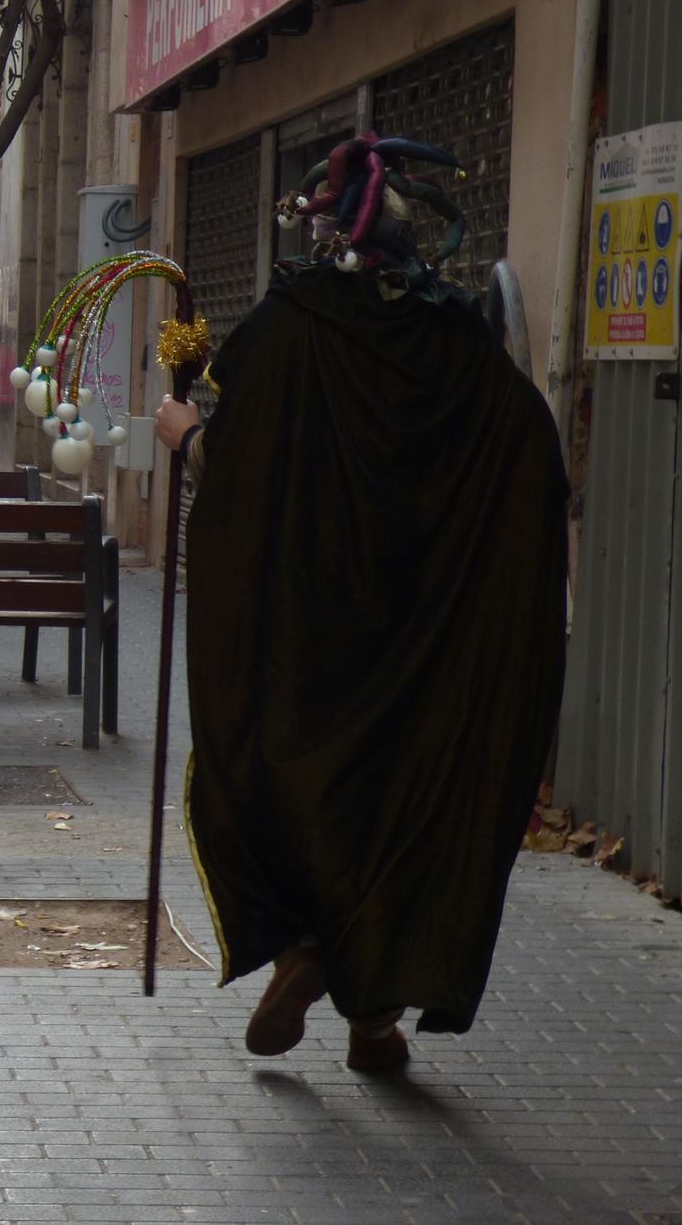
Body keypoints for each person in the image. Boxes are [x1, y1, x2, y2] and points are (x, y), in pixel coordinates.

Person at [153, 136, 567, 1073]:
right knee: (397, 805)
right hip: (422, 636)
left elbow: (243, 464)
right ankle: (372, 1018)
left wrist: (185, 437)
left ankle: (308, 950)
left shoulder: (291, 326)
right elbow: (530, 450)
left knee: (305, 791)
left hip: (310, 633)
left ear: (331, 231)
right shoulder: (461, 341)